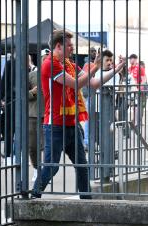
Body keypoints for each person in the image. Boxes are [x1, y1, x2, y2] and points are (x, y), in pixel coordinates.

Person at [32, 30, 124, 199]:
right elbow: (76, 84)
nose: (72, 48)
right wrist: (95, 66)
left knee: (82, 165)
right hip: (55, 125)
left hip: (71, 124)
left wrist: (117, 69)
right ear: (58, 46)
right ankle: (34, 194)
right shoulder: (50, 64)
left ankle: (86, 199)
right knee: (52, 166)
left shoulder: (70, 65)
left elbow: (94, 84)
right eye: (69, 45)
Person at [27, 49, 49, 181]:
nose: (46, 60)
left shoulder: (56, 75)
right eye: (44, 58)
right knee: (32, 146)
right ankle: (36, 169)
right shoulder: (32, 75)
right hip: (33, 115)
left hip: (50, 116)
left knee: (48, 146)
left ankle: (46, 171)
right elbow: (22, 95)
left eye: (49, 58)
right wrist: (32, 92)